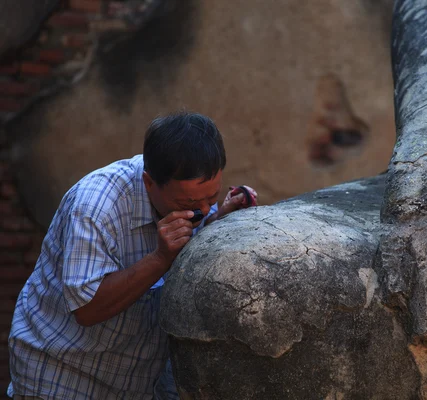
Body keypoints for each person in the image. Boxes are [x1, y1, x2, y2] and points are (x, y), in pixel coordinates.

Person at [7, 112, 257, 399]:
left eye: (210, 199)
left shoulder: (190, 201)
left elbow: (193, 234)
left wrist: (218, 221)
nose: (199, 210)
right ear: (149, 183)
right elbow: (88, 309)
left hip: (136, 381)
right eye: (187, 203)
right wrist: (160, 258)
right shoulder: (95, 206)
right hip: (63, 374)